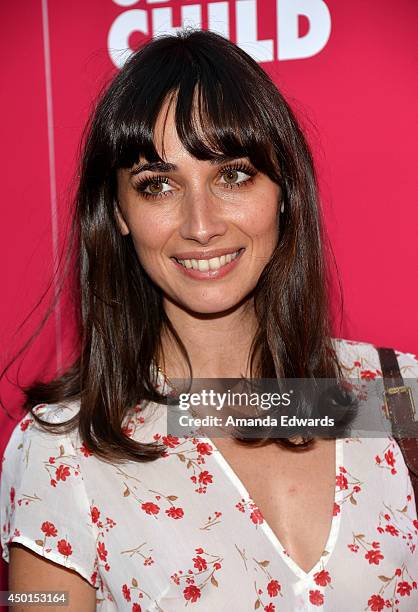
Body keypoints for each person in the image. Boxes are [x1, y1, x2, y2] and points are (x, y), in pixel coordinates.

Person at [1, 29, 417, 611]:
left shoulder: (396, 395)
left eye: (233, 175)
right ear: (118, 212)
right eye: (158, 186)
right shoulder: (64, 448)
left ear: (283, 190)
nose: (201, 224)